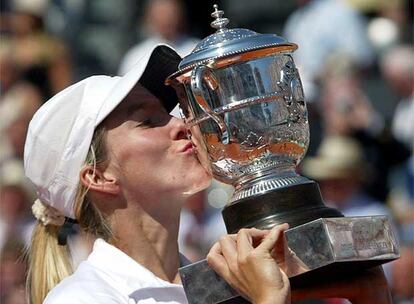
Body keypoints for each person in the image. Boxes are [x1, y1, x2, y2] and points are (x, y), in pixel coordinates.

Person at [24, 44, 391, 304]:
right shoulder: (84, 299)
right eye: (149, 120)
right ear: (99, 177)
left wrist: (369, 293)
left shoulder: (228, 281)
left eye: (171, 113)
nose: (181, 124)